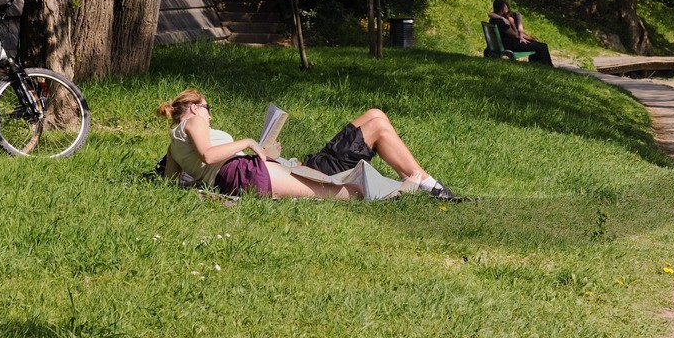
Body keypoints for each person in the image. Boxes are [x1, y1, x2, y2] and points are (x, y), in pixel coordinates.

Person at [158, 88, 455, 200]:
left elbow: (173, 181)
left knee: (376, 116)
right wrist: (247, 141)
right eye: (208, 108)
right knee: (351, 189)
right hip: (263, 172)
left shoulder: (174, 145)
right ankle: (418, 186)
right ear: (195, 107)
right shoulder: (194, 122)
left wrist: (268, 153)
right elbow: (209, 156)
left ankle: (421, 183)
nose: (210, 116)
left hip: (279, 167)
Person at [487, 0, 553, 66]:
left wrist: (523, 36)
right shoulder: (501, 22)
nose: (508, 8)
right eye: (506, 6)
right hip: (509, 44)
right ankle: (547, 66)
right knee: (542, 46)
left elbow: (516, 17)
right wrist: (513, 24)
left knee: (536, 43)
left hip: (507, 42)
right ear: (502, 9)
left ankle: (536, 64)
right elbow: (515, 35)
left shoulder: (495, 19)